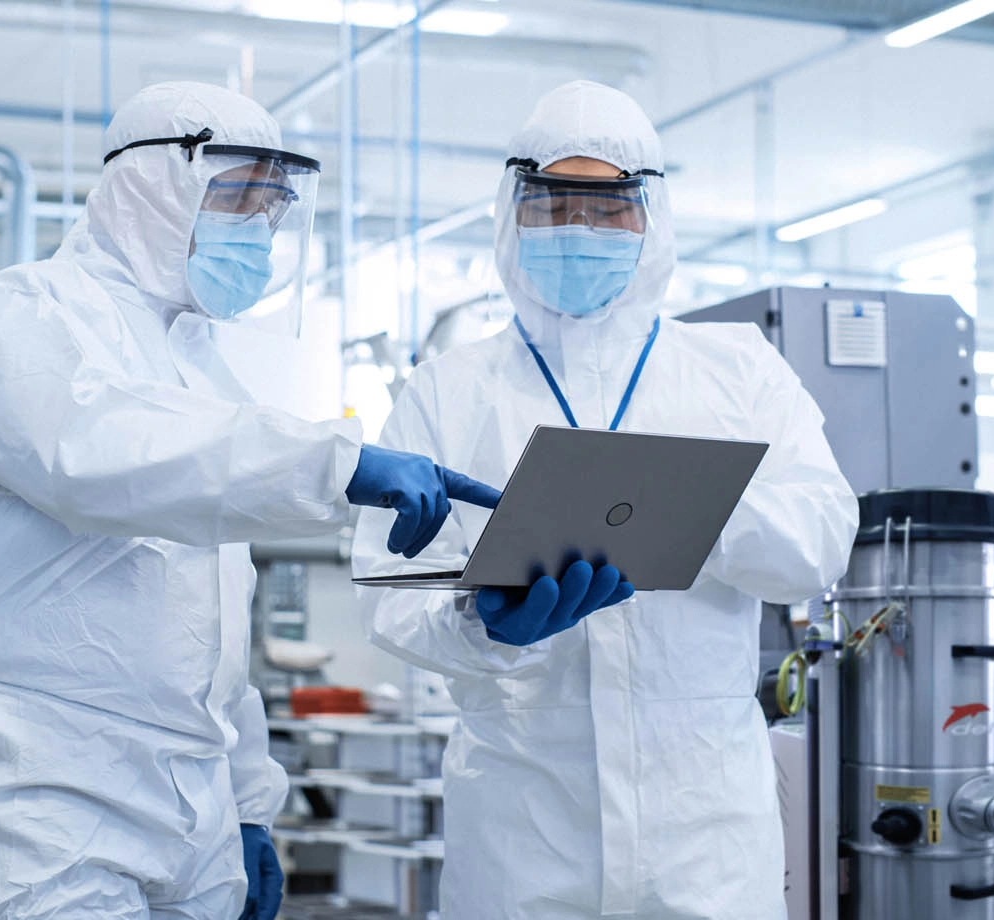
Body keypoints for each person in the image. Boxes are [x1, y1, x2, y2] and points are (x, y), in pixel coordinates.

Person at [0, 81, 498, 920]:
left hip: (193, 807)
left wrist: (249, 802)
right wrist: (339, 462)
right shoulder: (23, 313)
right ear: (148, 184)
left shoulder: (203, 368)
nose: (256, 227)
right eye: (236, 196)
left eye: (272, 207)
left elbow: (207, 631)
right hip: (40, 790)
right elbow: (95, 452)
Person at [352, 80, 859, 919]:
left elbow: (821, 541)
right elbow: (382, 586)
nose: (578, 230)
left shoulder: (738, 373)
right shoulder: (448, 391)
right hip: (524, 837)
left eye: (608, 206)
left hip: (704, 840)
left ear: (651, 216)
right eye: (554, 204)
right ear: (513, 212)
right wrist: (481, 624)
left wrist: (700, 507)